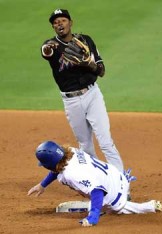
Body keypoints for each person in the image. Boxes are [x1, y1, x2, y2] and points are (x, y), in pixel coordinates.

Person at [41, 9, 124, 173]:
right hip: (71, 101)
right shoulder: (52, 45)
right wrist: (47, 48)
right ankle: (99, 181)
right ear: (53, 27)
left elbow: (101, 71)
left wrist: (89, 64)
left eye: (63, 20)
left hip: (92, 95)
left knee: (106, 142)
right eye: (56, 22)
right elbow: (46, 51)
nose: (60, 24)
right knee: (85, 145)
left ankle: (121, 181)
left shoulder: (85, 41)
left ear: (70, 23)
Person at [27, 141, 162, 227]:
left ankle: (147, 206)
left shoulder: (72, 174)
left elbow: (97, 190)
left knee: (115, 209)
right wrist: (42, 185)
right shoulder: (71, 151)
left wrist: (93, 216)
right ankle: (98, 206)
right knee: (95, 196)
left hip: (113, 193)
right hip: (116, 176)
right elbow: (58, 168)